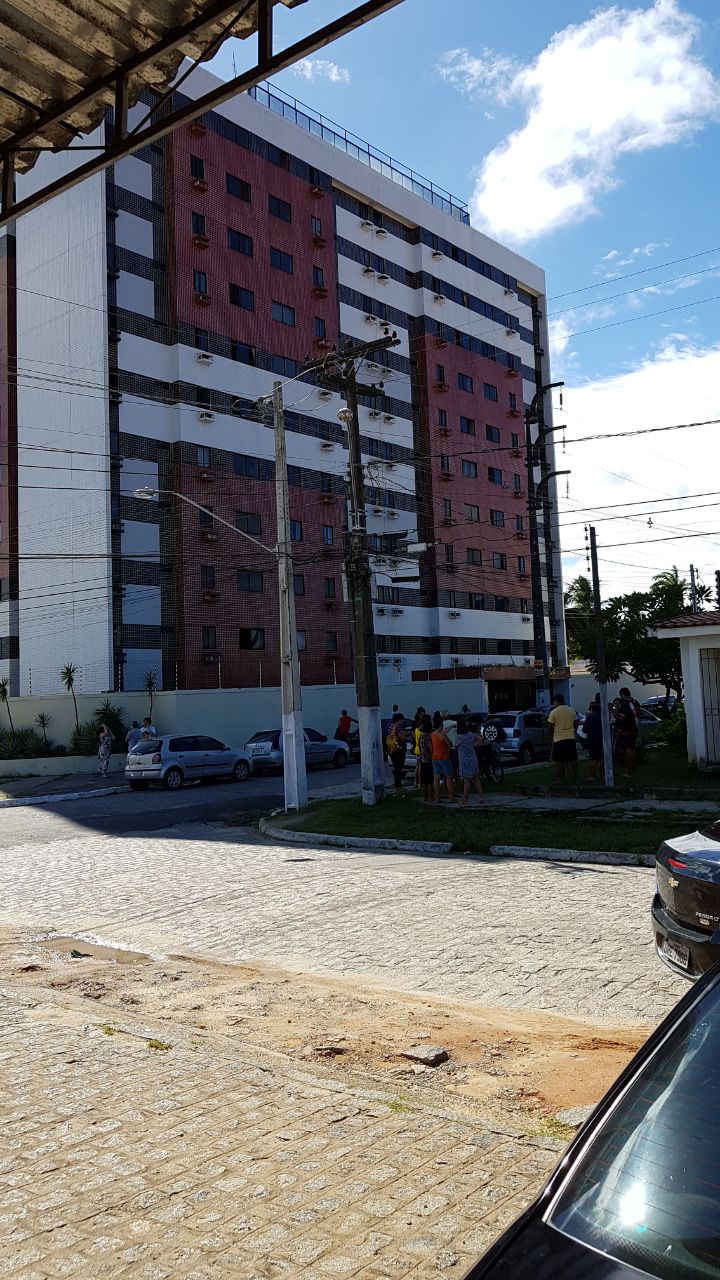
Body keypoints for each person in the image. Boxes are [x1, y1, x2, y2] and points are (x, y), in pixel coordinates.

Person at [547, 693, 579, 784]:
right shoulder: (572, 710)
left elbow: (550, 726)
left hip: (558, 739)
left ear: (556, 701)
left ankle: (560, 779)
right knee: (573, 759)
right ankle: (575, 778)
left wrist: (551, 736)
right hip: (570, 738)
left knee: (559, 761)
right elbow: (576, 724)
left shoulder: (554, 712)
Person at [455, 716, 484, 807]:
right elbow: (481, 739)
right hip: (473, 758)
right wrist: (473, 745)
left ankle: (465, 799)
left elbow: (455, 746)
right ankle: (481, 796)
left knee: (466, 781)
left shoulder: (458, 737)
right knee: (477, 779)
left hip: (464, 761)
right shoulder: (471, 735)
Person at [431, 711, 455, 804]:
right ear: (441, 726)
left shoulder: (432, 734)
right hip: (444, 757)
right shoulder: (442, 735)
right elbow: (450, 744)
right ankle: (451, 797)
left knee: (436, 778)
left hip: (435, 757)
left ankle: (437, 798)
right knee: (449, 777)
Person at [614, 687, 639, 776]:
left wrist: (615, 713)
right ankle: (633, 767)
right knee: (632, 749)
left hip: (627, 730)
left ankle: (627, 770)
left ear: (622, 695)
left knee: (627, 749)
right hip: (634, 728)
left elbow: (622, 718)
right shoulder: (634, 702)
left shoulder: (625, 705)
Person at [583, 699, 604, 782]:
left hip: (592, 739)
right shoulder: (603, 717)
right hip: (602, 739)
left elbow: (584, 730)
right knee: (602, 758)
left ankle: (592, 775)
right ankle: (602, 775)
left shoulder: (589, 718)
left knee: (593, 758)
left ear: (592, 709)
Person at [386, 712, 407, 793]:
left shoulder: (390, 727)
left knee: (396, 768)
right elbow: (402, 738)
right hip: (399, 750)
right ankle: (398, 786)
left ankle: (397, 785)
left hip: (392, 750)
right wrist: (408, 738)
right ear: (399, 720)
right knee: (399, 768)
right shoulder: (398, 727)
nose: (403, 721)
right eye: (402, 720)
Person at [418, 714, 435, 802]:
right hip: (429, 759)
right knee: (430, 780)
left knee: (424, 780)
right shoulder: (428, 737)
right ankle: (431, 797)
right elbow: (431, 748)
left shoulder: (421, 736)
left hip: (422, 759)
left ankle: (425, 797)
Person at [441, 709, 459, 780]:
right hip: (455, 746)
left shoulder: (442, 725)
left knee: (449, 765)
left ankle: (450, 778)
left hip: (446, 747)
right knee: (457, 765)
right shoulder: (455, 723)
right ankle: (458, 778)